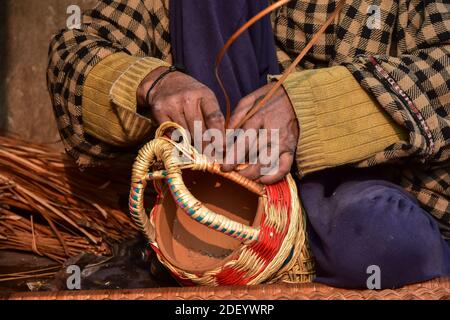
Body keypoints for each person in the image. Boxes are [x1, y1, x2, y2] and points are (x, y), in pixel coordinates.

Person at [47, 0, 450, 288]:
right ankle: (224, 226)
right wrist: (152, 83)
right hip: (232, 173)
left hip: (365, 179)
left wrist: (307, 110)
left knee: (384, 240)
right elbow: (75, 50)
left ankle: (291, 246)